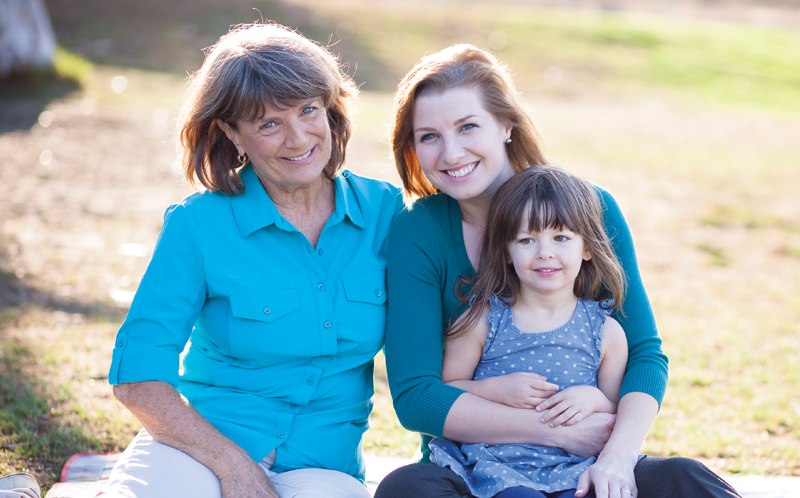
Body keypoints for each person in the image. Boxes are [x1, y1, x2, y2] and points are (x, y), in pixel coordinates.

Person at [376, 44, 740, 498]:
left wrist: (616, 458)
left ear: (506, 124)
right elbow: (418, 397)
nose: (451, 153)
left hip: (585, 464)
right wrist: (554, 431)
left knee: (684, 479)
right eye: (428, 136)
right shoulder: (420, 229)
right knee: (407, 489)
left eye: (468, 126)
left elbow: (644, 353)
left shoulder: (591, 208)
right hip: (476, 468)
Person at [105, 23, 401, 498]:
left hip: (321, 464)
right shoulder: (198, 225)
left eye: (308, 110)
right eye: (269, 123)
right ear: (232, 133)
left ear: (330, 109)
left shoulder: (386, 213)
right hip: (201, 446)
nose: (298, 137)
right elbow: (137, 377)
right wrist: (232, 465)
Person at [429, 166, 634, 498]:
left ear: (587, 248)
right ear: (507, 251)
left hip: (575, 471)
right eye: (526, 240)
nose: (545, 252)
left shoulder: (606, 333)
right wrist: (495, 389)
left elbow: (616, 408)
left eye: (561, 238)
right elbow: (447, 389)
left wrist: (594, 398)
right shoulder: (482, 321)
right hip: (496, 468)